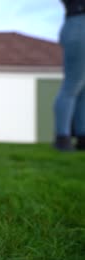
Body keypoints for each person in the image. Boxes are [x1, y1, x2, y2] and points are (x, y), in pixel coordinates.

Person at [54, 0, 85, 151]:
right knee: (72, 86)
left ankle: (82, 137)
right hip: (79, 24)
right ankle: (62, 137)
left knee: (82, 89)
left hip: (77, 24)